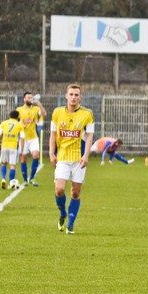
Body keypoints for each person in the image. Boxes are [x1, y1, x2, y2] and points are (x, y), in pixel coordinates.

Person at [49, 83, 94, 235]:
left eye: (76, 95)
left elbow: (89, 136)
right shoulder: (57, 113)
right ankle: (62, 212)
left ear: (80, 97)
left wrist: (86, 155)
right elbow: (53, 134)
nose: (74, 97)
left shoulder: (87, 114)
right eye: (71, 94)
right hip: (62, 157)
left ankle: (71, 223)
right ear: (66, 96)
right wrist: (51, 153)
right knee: (59, 189)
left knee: (75, 193)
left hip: (78, 159)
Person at [18, 91, 46, 186]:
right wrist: (20, 126)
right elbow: (14, 121)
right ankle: (25, 180)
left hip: (33, 137)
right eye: (28, 97)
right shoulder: (19, 110)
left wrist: (38, 103)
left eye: (31, 97)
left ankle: (32, 178)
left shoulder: (36, 108)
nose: (30, 99)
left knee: (35, 156)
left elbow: (44, 114)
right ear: (24, 99)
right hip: (23, 138)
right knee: (23, 158)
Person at [0, 110, 25, 189]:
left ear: (9, 115)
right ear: (17, 117)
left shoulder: (4, 123)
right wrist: (21, 150)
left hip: (4, 146)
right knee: (12, 165)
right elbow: (22, 138)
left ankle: (3, 179)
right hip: (13, 147)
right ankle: (11, 183)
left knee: (3, 163)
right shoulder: (19, 125)